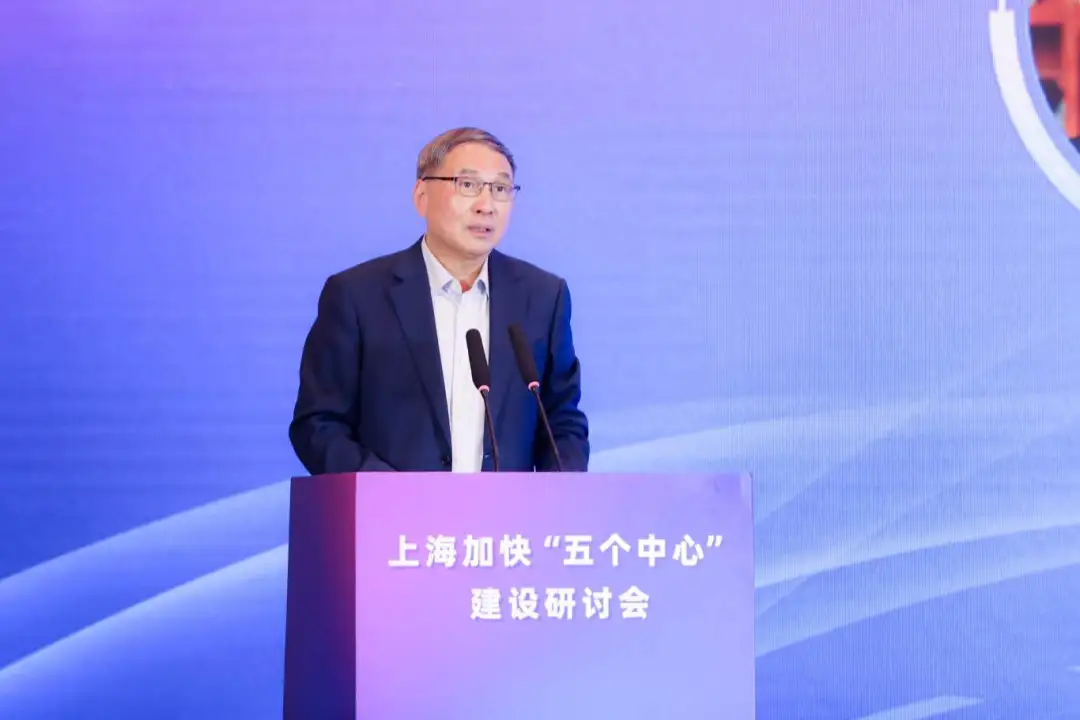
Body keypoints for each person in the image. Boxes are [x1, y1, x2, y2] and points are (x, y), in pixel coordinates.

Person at [289, 127, 589, 474]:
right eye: (468, 185)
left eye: (500, 188)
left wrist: (559, 490)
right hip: (392, 508)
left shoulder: (543, 297)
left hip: (507, 509)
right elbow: (319, 424)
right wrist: (386, 491)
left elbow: (562, 421)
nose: (486, 206)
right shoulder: (358, 295)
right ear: (422, 196)